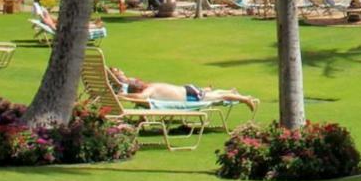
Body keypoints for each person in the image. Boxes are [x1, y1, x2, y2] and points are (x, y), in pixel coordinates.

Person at [108, 66, 259, 111]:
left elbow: (141, 98)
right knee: (216, 93)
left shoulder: (150, 91)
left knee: (218, 98)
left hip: (190, 96)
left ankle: (244, 99)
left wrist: (123, 97)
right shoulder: (152, 85)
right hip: (189, 90)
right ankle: (231, 92)